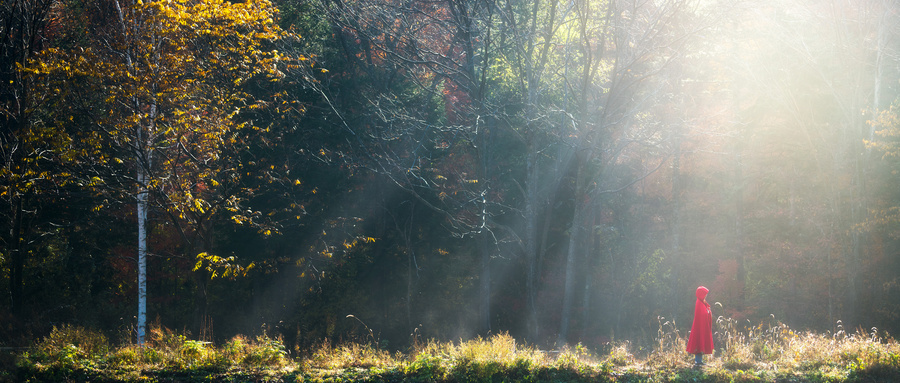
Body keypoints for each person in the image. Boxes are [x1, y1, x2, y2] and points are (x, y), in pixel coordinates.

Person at [686, 286, 713, 366]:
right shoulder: (699, 303)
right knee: (699, 342)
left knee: (701, 342)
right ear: (701, 294)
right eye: (704, 294)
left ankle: (699, 361)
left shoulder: (701, 302)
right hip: (699, 328)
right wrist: (707, 312)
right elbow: (702, 314)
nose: (706, 296)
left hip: (702, 327)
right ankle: (698, 361)